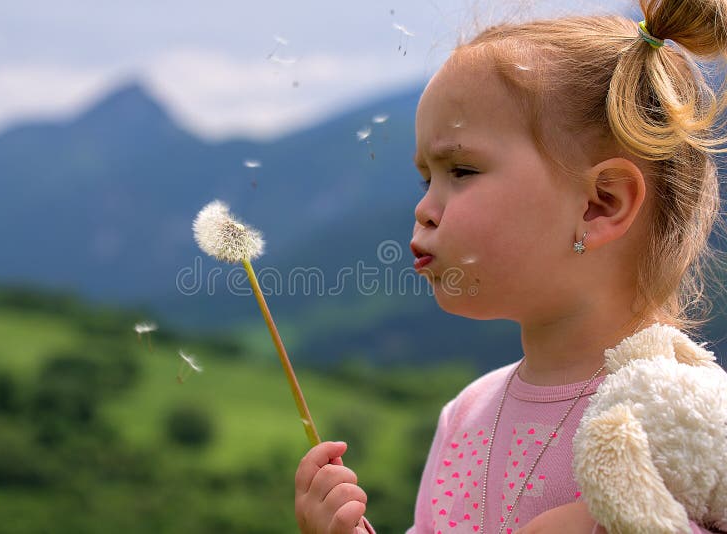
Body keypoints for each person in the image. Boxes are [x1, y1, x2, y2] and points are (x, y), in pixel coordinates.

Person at [294, 0, 727, 532]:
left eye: (463, 169)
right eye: (426, 178)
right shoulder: (467, 415)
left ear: (600, 204)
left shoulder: (690, 418)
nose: (424, 208)